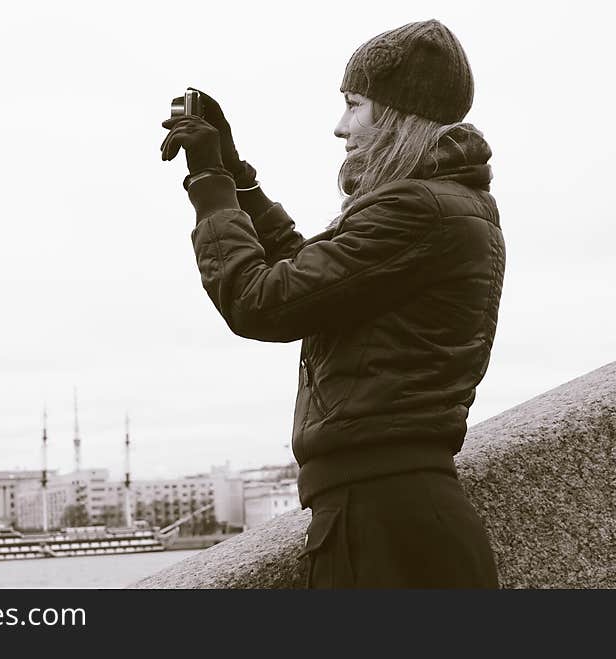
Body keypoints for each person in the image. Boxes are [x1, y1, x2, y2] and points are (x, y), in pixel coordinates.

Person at [160, 19, 505, 588]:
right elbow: (312, 276)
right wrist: (239, 176)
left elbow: (261, 301)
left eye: (354, 105)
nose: (339, 127)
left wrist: (211, 185)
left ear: (395, 114)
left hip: (386, 526)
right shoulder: (438, 206)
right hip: (392, 515)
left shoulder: (420, 211)